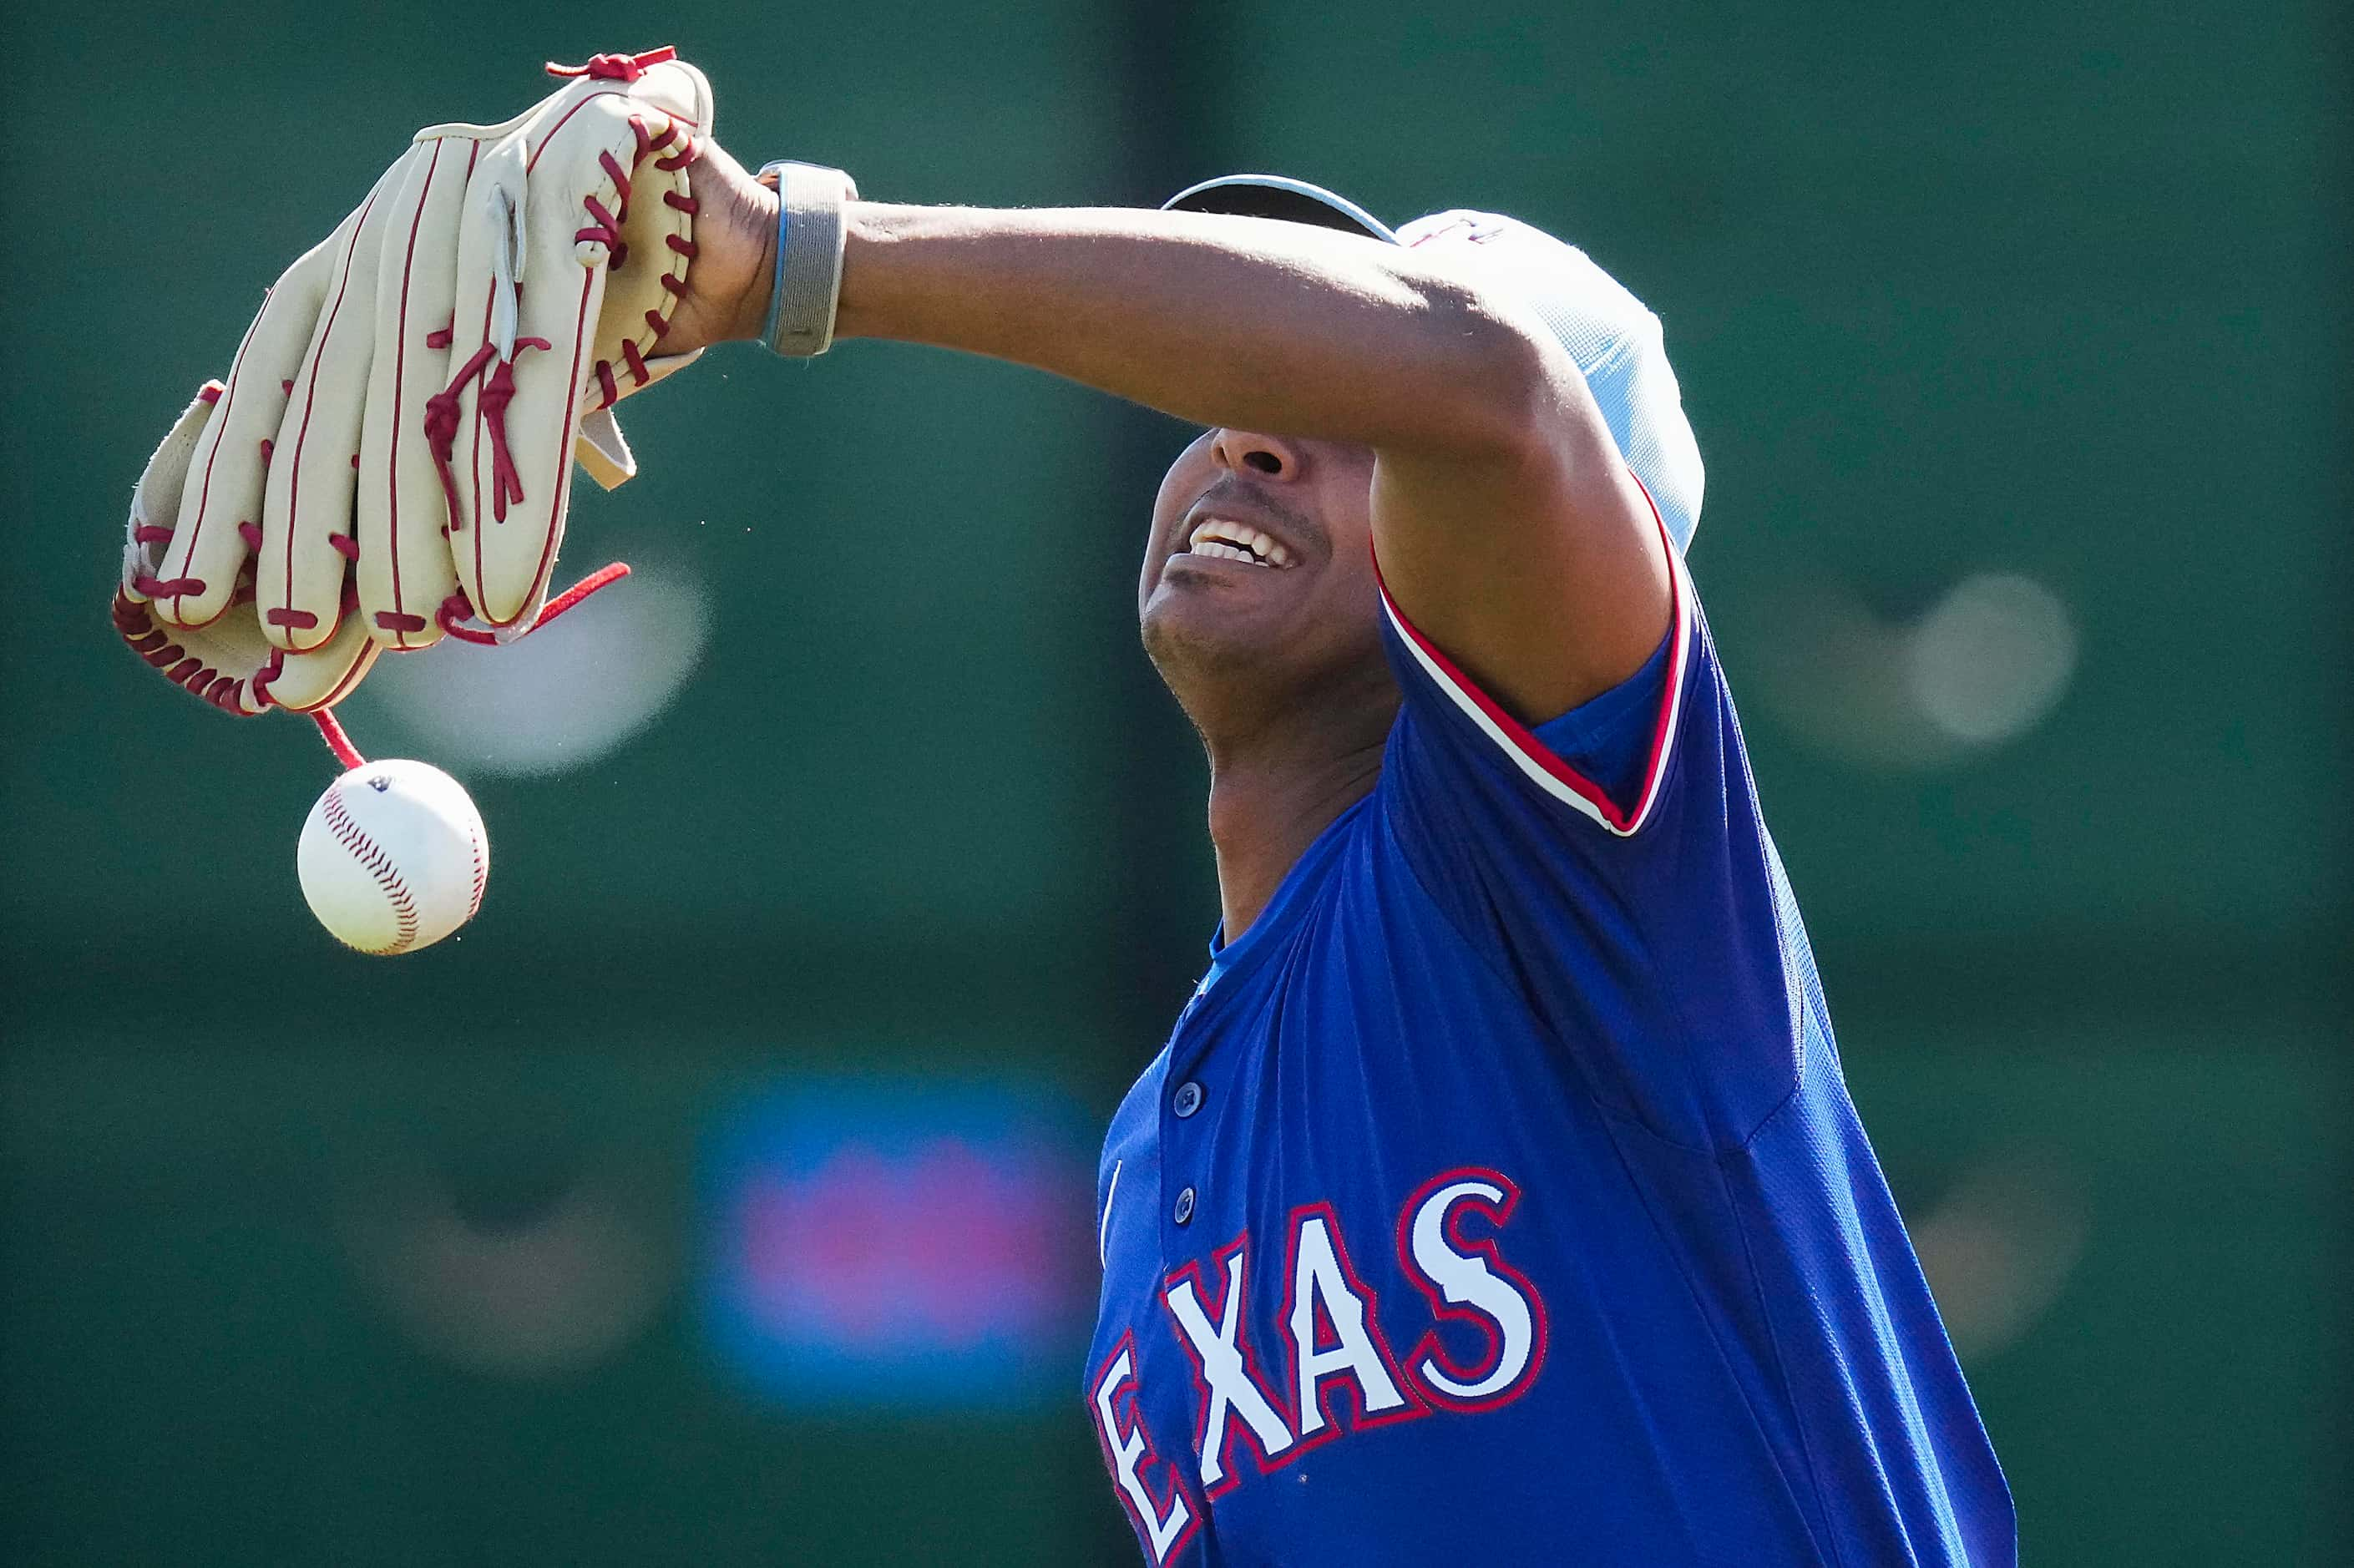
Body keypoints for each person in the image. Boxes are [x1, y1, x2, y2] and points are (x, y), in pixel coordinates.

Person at [127, 67, 2014, 1557]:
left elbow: (1488, 395)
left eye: (1326, 400)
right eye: (1239, 384)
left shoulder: (1587, 873)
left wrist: (790, 256)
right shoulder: (1155, 1150)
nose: (1248, 431)